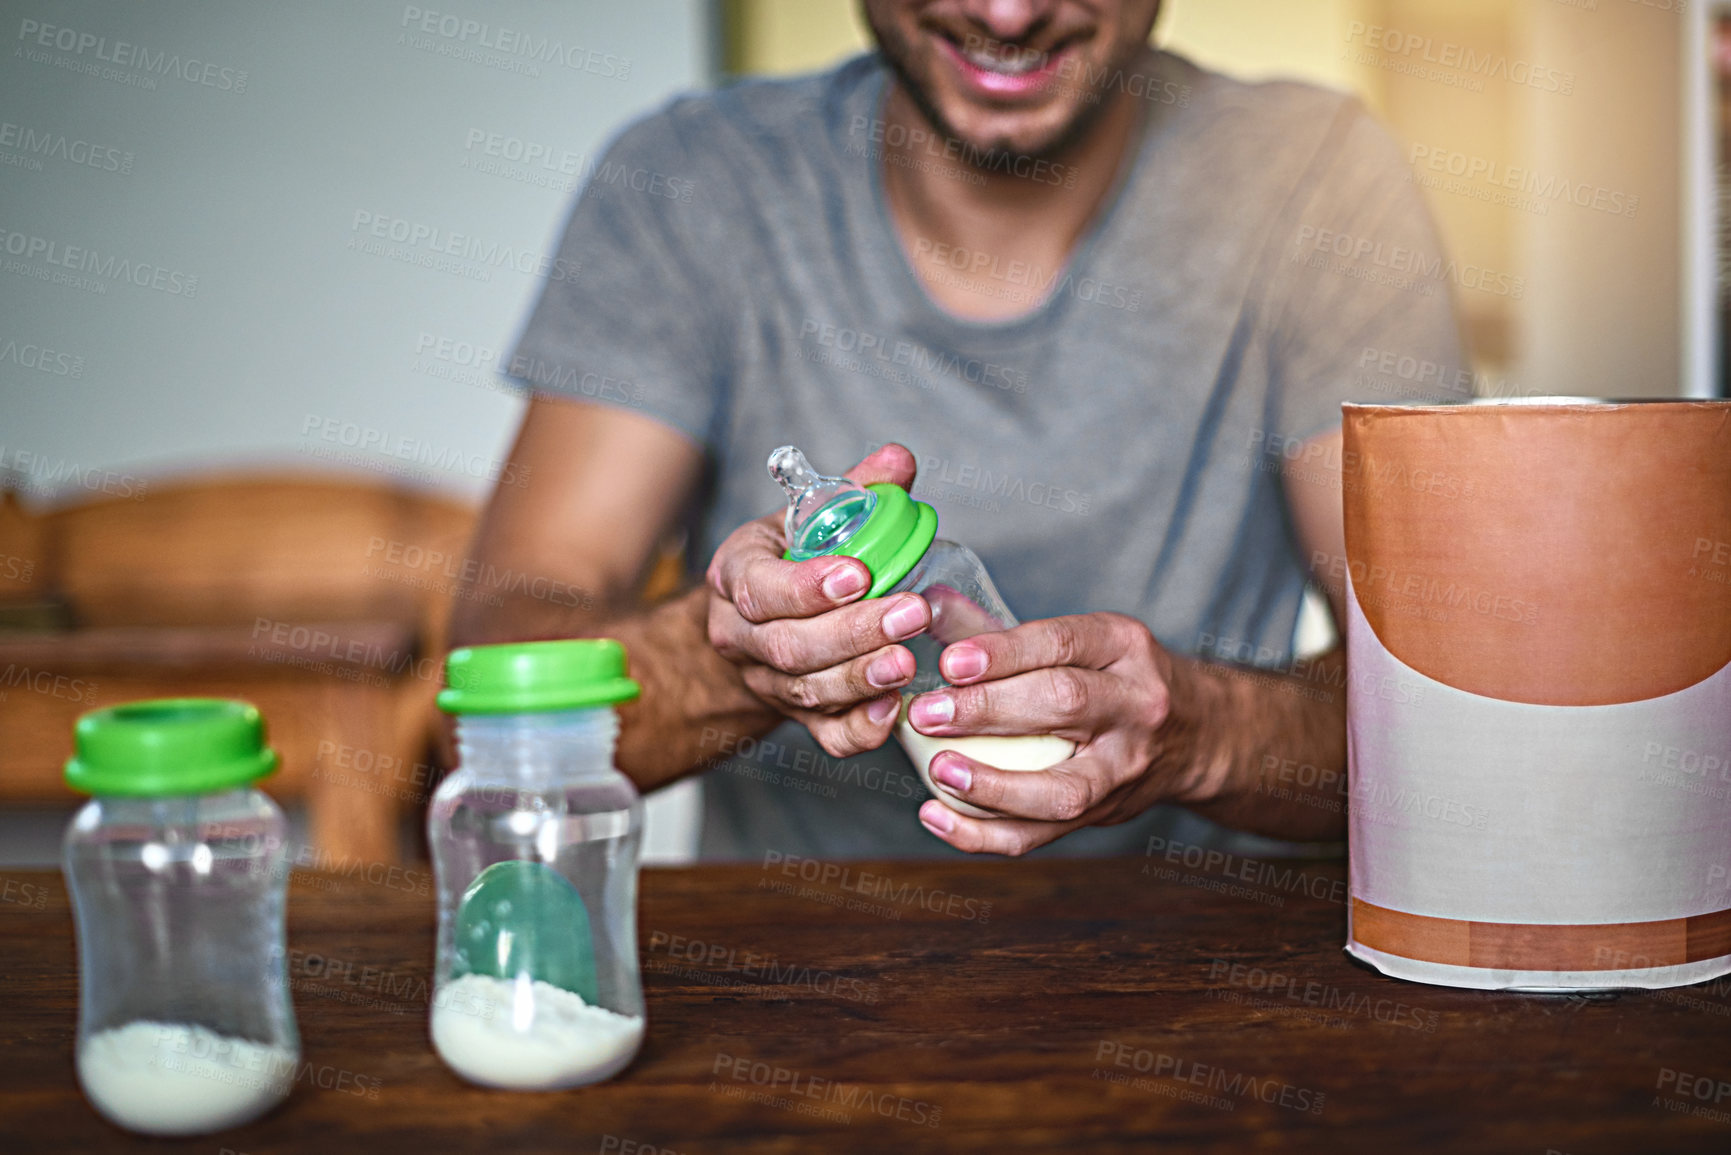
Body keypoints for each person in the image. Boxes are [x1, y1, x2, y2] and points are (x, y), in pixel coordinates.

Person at [450, 0, 1466, 861]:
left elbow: (1452, 704)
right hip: (791, 1000)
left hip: (1206, 987)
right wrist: (736, 653)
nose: (1009, 15)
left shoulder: (1312, 180)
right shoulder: (693, 182)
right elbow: (484, 709)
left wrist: (1202, 732)